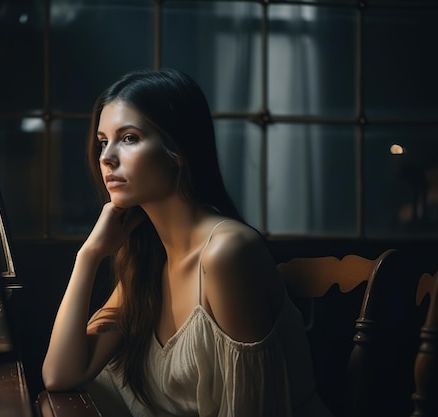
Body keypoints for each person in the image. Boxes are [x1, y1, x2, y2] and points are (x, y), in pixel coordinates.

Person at [41, 68, 332, 417]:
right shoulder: (148, 258)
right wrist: (88, 256)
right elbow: (60, 375)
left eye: (129, 138)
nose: (106, 156)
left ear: (177, 149)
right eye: (104, 141)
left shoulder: (226, 253)